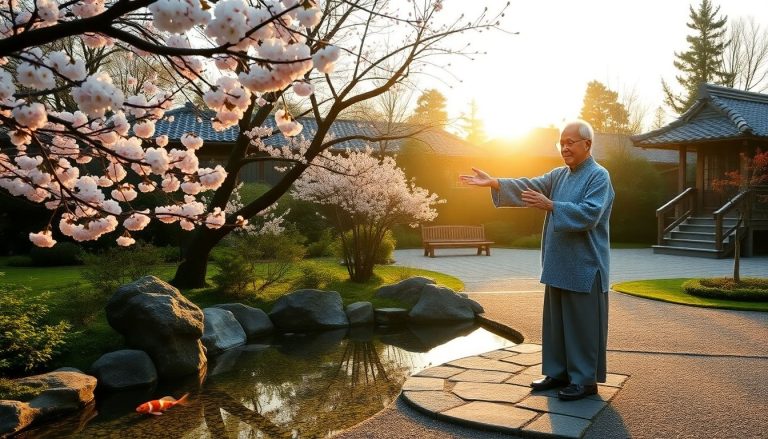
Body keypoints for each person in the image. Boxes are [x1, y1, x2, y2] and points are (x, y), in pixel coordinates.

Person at [459, 119, 614, 401]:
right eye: (561, 143)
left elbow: (590, 214)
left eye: (570, 142)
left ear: (587, 145)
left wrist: (552, 205)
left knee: (582, 326)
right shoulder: (558, 175)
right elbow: (530, 185)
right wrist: (494, 182)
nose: (564, 148)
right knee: (556, 325)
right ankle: (557, 373)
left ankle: (584, 380)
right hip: (558, 264)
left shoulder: (598, 176)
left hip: (585, 266)